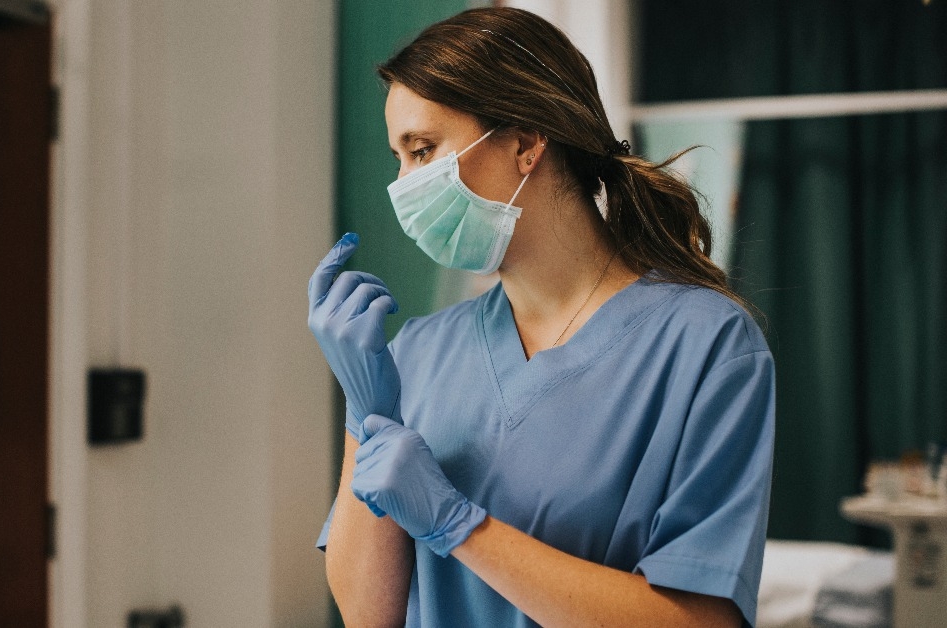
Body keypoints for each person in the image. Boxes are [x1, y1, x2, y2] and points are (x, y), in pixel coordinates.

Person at [307, 7, 774, 628]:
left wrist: (457, 524)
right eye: (398, 156)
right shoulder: (415, 354)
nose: (404, 186)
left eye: (423, 151)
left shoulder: (703, 345)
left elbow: (702, 621)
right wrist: (367, 413)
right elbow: (371, 616)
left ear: (526, 143)